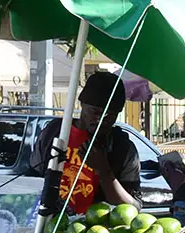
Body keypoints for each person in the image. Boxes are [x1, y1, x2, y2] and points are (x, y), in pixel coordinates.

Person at [31, 71, 141, 214]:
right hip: (49, 223)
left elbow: (133, 206)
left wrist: (103, 171)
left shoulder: (122, 148)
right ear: (82, 103)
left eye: (110, 116)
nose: (101, 120)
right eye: (95, 112)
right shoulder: (54, 133)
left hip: (94, 231)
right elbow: (32, 182)